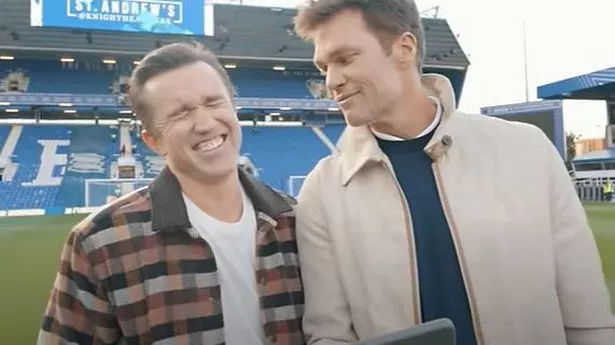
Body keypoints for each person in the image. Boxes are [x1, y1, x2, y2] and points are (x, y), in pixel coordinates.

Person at [292, 1, 615, 345]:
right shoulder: (322, 192)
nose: (331, 81)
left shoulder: (527, 150)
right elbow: (329, 335)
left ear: (404, 48)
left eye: (345, 59)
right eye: (323, 66)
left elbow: (588, 318)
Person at [37, 42, 305, 345]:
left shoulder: (296, 221)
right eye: (180, 113)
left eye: (214, 102)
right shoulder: (99, 242)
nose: (205, 123)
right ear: (153, 142)